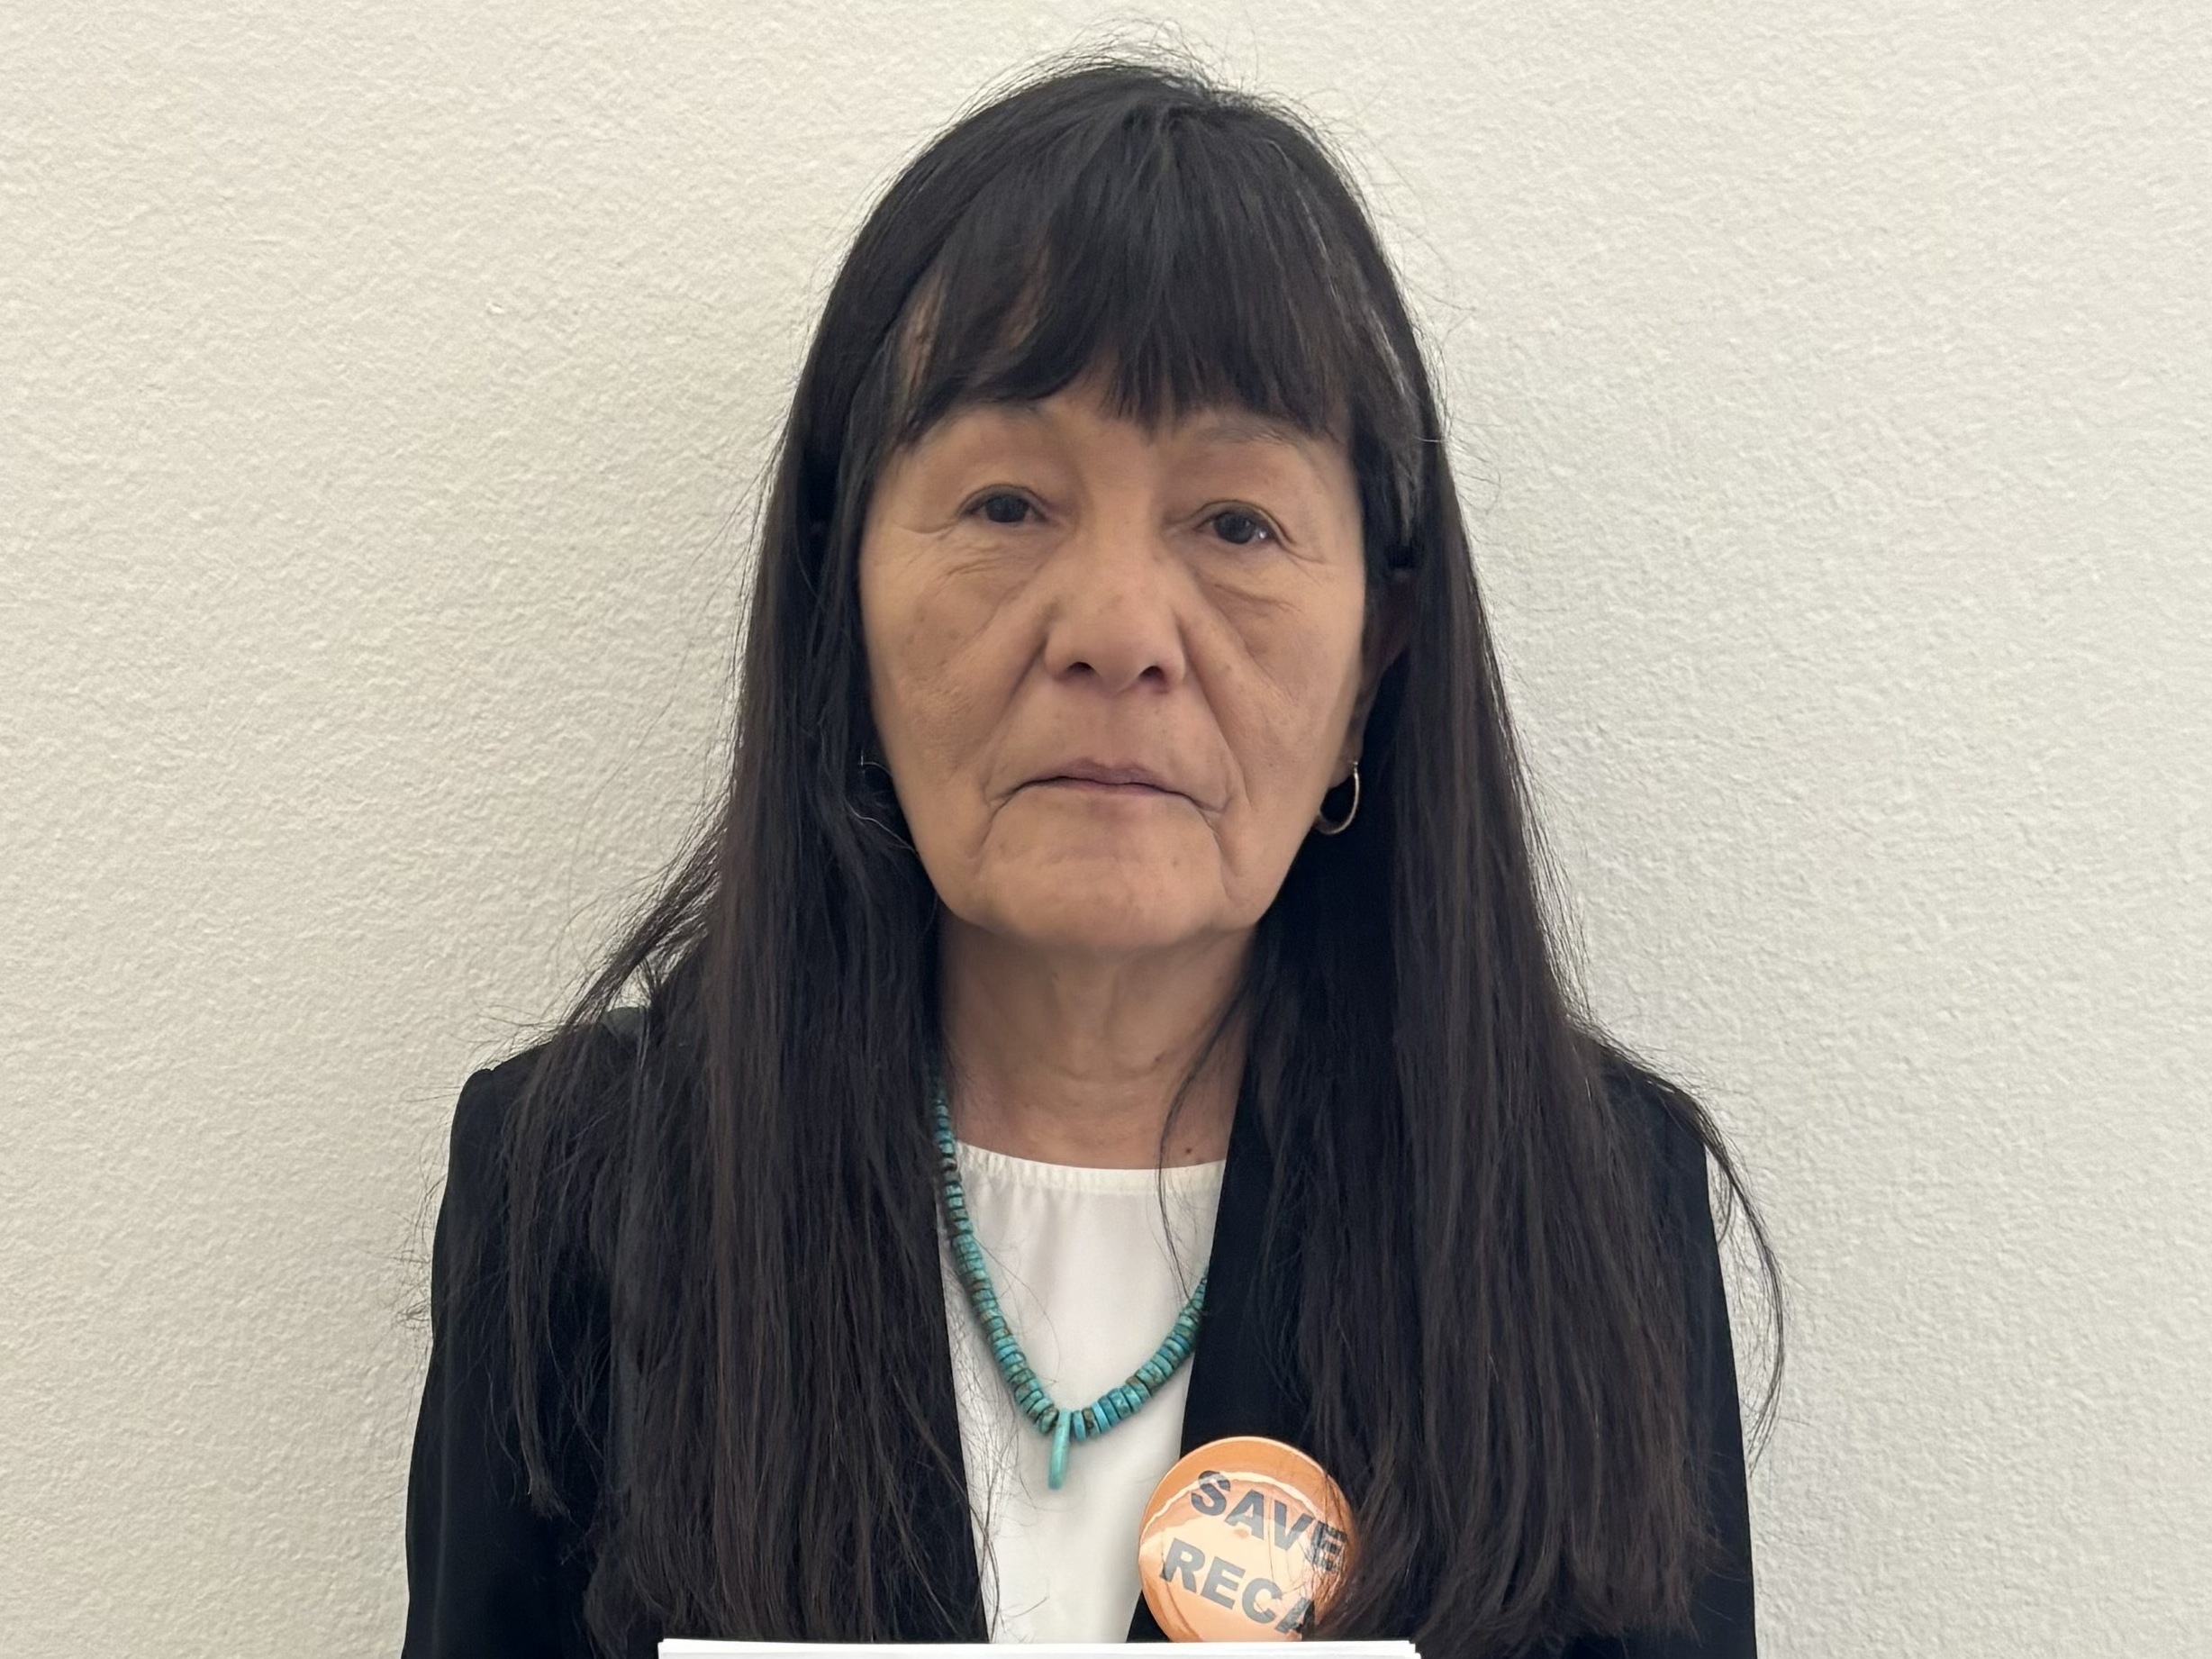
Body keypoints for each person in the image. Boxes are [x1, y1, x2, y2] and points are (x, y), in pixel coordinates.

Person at [401, 50, 1781, 1659]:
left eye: (1237, 523)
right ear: (839, 600)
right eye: (1005, 502)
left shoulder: (1582, 1206)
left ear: (1376, 663)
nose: (1120, 632)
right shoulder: (588, 1188)